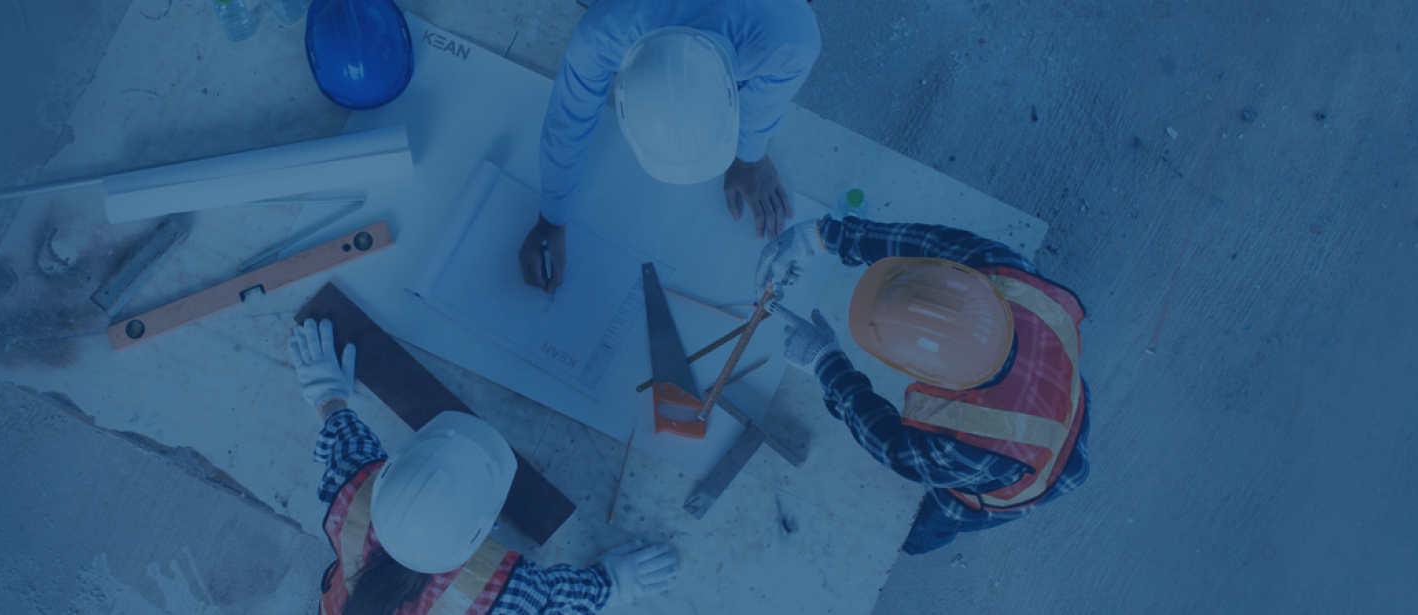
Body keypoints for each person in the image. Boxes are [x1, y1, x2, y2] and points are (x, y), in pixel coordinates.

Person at [288, 319, 679, 615]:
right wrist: (609, 584)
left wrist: (328, 395)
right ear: (483, 534)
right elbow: (552, 598)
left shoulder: (351, 495)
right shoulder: (501, 592)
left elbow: (346, 445)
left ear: (386, 475)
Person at [752, 217, 1092, 554]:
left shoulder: (968, 444)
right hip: (1063, 393)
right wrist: (819, 237)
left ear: (939, 378)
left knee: (933, 520)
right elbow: (929, 244)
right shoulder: (998, 272)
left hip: (1033, 477)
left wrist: (826, 365)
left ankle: (916, 544)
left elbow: (893, 445)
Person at [518, 0, 822, 292]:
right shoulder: (603, 33)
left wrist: (749, 155)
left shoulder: (790, 36)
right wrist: (551, 219)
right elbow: (569, 119)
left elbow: (570, 118)